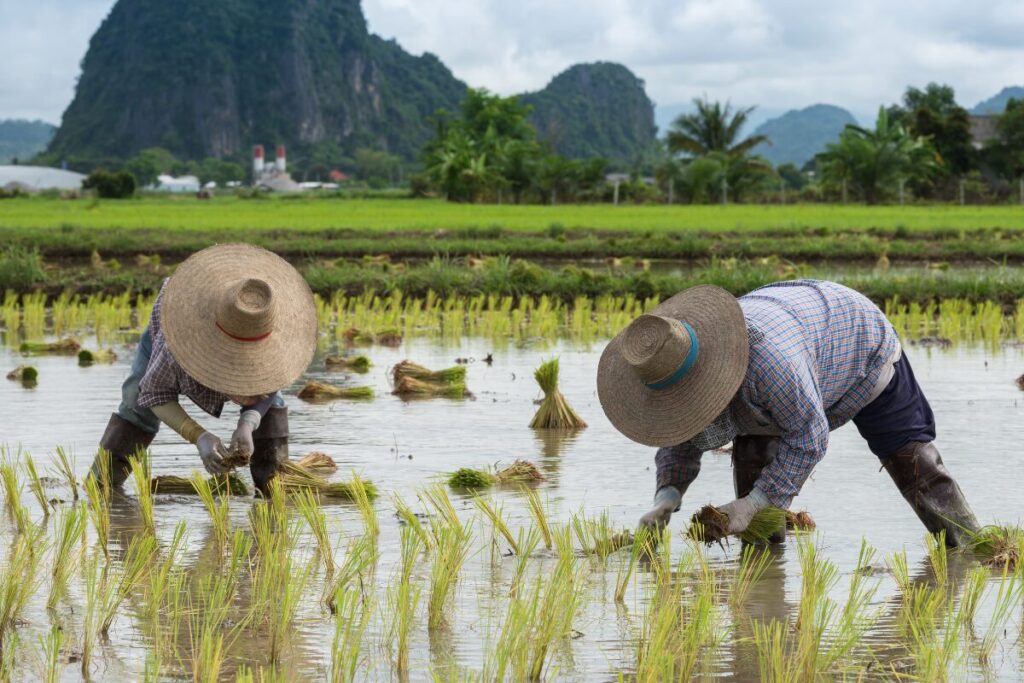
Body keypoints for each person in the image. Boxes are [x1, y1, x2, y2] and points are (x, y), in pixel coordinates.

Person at [597, 280, 979, 547]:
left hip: (855, 342)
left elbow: (810, 438)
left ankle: (973, 548)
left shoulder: (770, 368)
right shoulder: (674, 365)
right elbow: (681, 431)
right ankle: (764, 576)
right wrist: (666, 496)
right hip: (793, 333)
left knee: (911, 460)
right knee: (753, 461)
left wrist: (756, 504)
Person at [91, 243, 318, 495]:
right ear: (226, 373)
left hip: (241, 320)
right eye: (248, 384)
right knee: (136, 400)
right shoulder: (178, 342)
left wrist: (247, 423)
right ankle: (102, 485)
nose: (258, 391)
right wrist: (198, 436)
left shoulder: (272, 335)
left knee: (271, 408)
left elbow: (269, 391)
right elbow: (155, 393)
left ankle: (273, 485)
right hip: (179, 316)